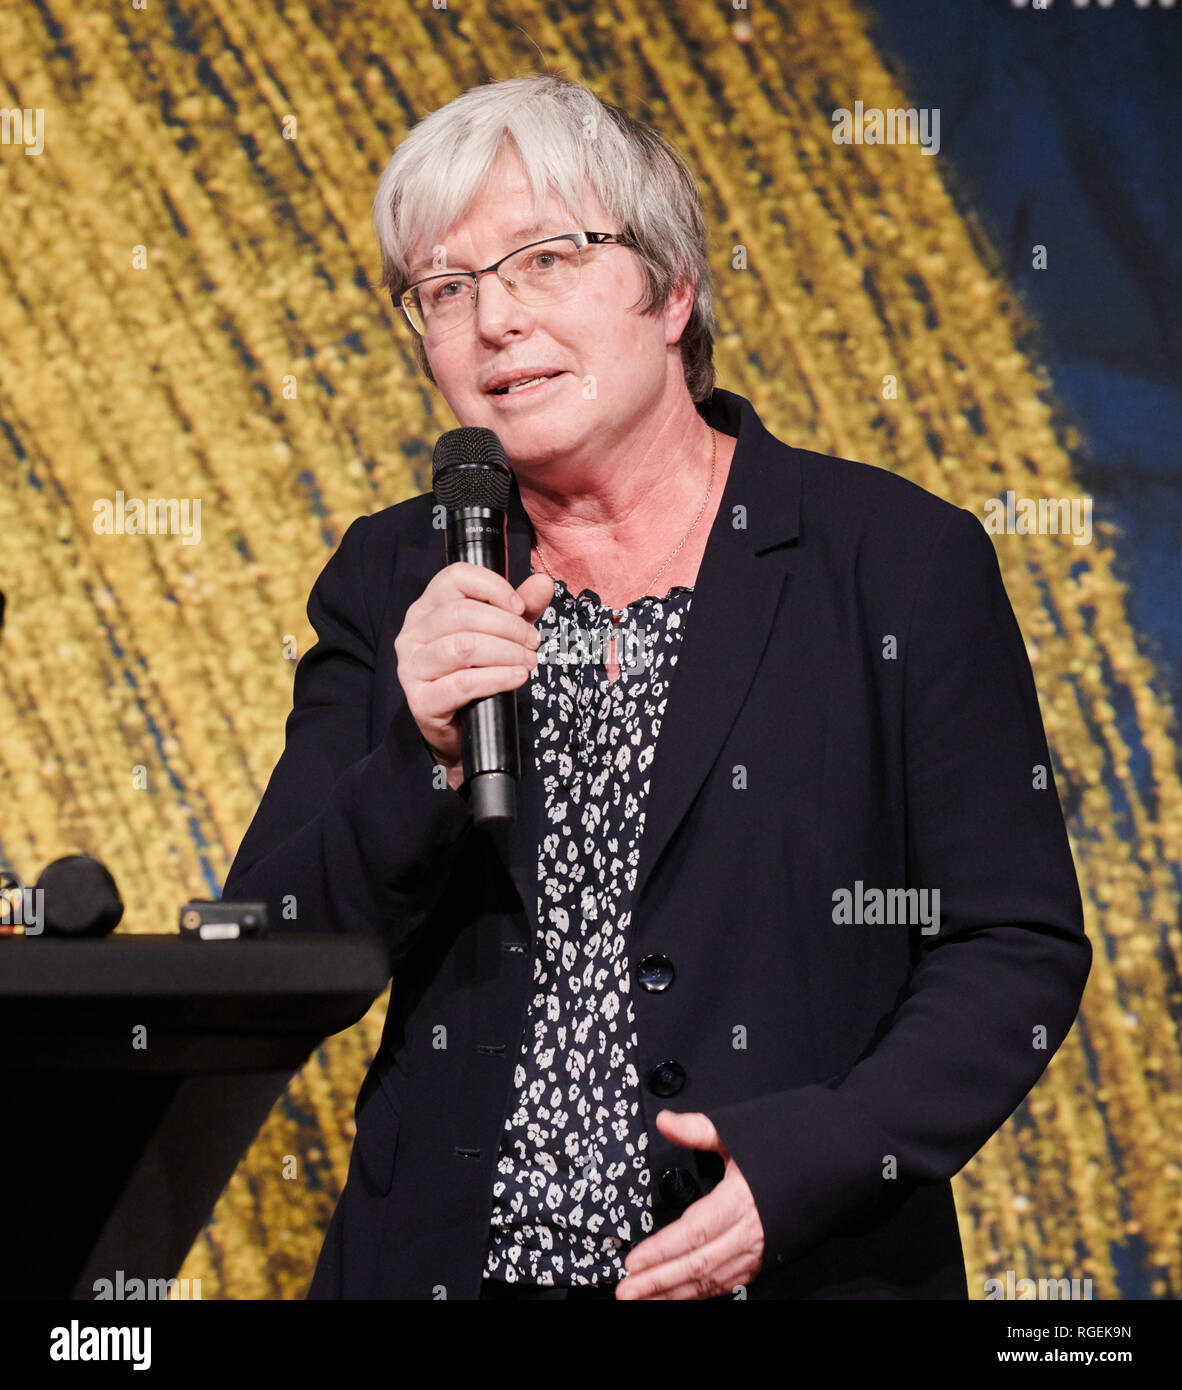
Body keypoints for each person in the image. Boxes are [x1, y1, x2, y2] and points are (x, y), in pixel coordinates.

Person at [222, 73, 1091, 1301]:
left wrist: (810, 1167)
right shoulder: (396, 572)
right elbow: (267, 962)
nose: (494, 322)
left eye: (543, 260)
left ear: (672, 287)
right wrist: (420, 755)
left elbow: (1014, 945)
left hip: (799, 1265)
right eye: (446, 288)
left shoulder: (891, 559)